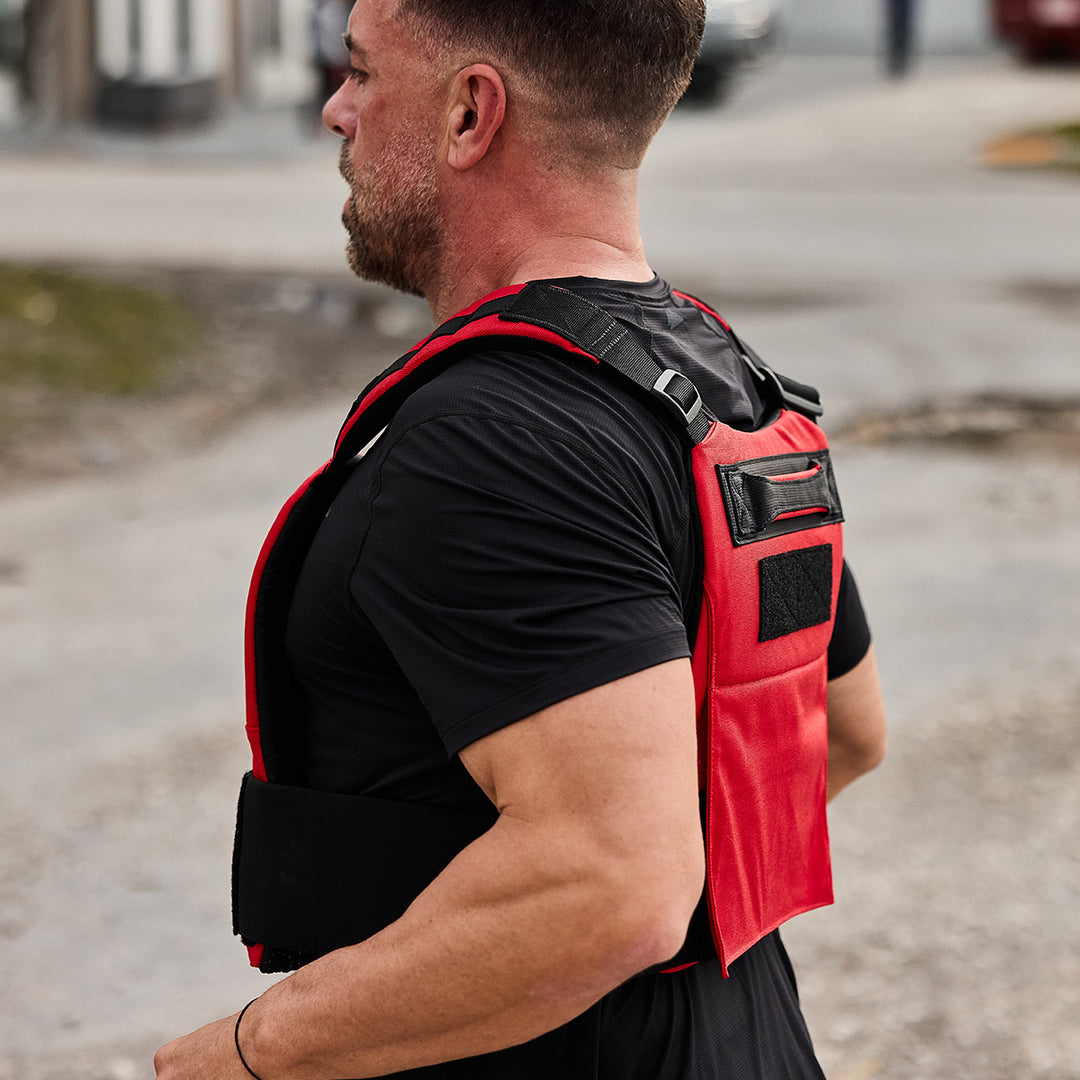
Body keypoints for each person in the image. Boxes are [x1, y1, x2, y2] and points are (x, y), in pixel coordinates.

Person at [154, 0, 887, 1077]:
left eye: (362, 73)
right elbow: (846, 729)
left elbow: (613, 888)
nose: (335, 110)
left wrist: (246, 1054)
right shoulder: (712, 376)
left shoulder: (495, 437)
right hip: (748, 1040)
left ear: (469, 111)